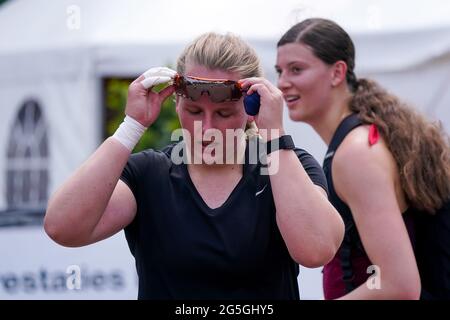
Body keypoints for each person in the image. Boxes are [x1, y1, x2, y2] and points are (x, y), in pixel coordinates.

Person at [44, 32, 344, 299]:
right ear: (176, 103)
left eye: (224, 113)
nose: (207, 127)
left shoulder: (286, 166)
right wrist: (131, 126)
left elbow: (316, 250)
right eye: (194, 110)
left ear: (253, 109)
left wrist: (275, 136)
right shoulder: (149, 174)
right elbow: (63, 228)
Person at [275, 18, 450, 300]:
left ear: (337, 72)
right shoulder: (361, 138)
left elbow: (399, 284)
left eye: (296, 69)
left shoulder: (356, 152)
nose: (282, 83)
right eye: (279, 71)